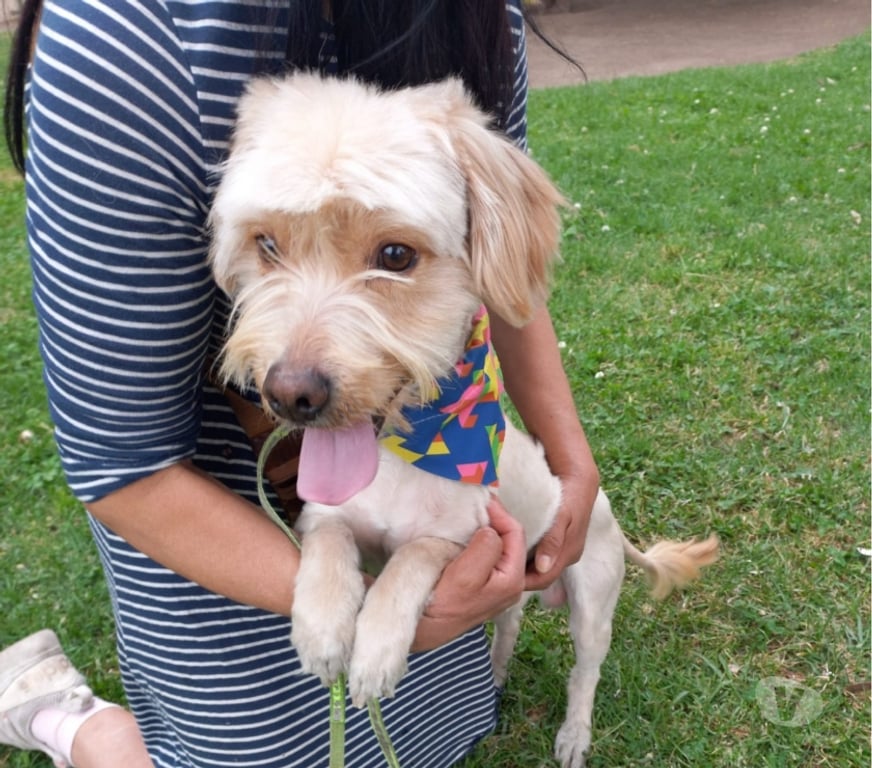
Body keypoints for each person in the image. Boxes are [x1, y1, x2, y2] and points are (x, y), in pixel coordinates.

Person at [0, 2, 599, 767]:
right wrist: (332, 597)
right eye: (269, 247)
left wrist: (568, 451)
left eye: (393, 255)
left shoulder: (478, 17)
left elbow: (504, 270)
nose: (297, 372)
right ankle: (71, 720)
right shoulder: (125, 36)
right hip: (204, 523)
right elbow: (121, 461)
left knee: (423, 733)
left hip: (434, 470)